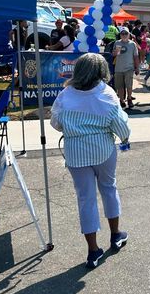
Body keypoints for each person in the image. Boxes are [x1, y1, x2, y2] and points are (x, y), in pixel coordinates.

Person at [50, 53, 130, 268]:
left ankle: (93, 250)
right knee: (109, 188)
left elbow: (56, 122)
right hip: (103, 149)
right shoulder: (106, 93)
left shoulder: (66, 94)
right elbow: (122, 128)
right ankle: (115, 235)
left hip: (76, 152)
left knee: (85, 199)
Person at [112, 27, 140, 109]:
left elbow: (136, 57)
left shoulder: (132, 44)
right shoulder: (117, 43)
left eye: (126, 33)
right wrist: (115, 52)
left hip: (129, 68)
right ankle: (121, 100)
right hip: (119, 68)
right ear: (120, 35)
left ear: (129, 35)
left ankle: (129, 98)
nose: (124, 35)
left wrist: (137, 68)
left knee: (129, 85)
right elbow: (114, 55)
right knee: (119, 86)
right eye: (122, 33)